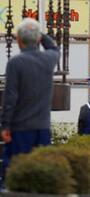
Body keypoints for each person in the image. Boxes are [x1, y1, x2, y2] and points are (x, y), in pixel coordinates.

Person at [0, 18, 58, 172]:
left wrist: (5, 125)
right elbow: (53, 48)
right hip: (43, 127)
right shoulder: (49, 59)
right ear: (38, 39)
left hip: (20, 128)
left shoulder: (15, 63)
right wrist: (40, 34)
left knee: (15, 171)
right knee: (40, 172)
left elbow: (10, 97)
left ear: (18, 40)